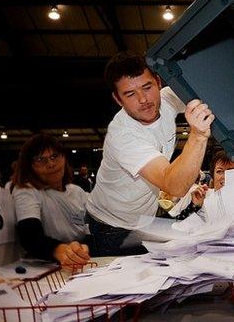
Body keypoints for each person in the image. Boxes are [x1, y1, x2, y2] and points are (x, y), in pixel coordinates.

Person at [86, 51, 214, 256]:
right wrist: (198, 135)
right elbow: (174, 185)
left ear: (158, 82)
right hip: (111, 226)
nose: (144, 99)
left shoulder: (166, 100)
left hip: (145, 218)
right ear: (118, 99)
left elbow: (206, 86)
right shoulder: (123, 135)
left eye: (147, 87)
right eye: (130, 94)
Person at [11, 134, 91, 266]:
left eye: (55, 156)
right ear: (29, 166)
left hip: (80, 260)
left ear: (64, 158)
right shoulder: (27, 190)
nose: (51, 164)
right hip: (45, 265)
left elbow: (90, 230)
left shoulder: (77, 192)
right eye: (41, 160)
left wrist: (83, 248)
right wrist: (61, 251)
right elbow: (30, 237)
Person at [169, 150, 234, 220]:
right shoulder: (198, 194)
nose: (224, 176)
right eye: (219, 171)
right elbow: (172, 222)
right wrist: (194, 206)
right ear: (213, 175)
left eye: (230, 171)